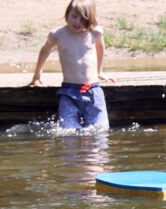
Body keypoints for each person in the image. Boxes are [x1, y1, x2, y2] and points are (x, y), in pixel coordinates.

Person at [28, 0, 114, 130]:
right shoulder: (58, 34)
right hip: (69, 91)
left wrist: (99, 71)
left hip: (93, 90)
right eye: (74, 17)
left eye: (83, 19)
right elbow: (45, 50)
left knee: (100, 130)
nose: (78, 22)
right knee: (68, 131)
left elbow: (100, 48)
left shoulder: (95, 32)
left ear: (90, 19)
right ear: (67, 14)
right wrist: (37, 73)